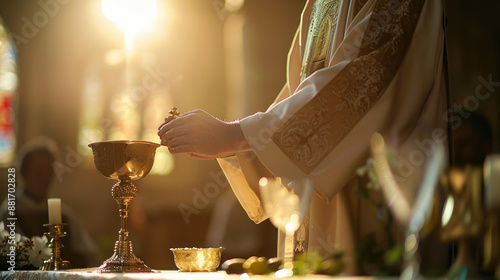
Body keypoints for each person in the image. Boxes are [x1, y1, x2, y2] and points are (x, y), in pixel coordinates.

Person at [158, 0, 449, 274]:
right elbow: (299, 94)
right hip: (314, 217)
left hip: (383, 196)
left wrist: (238, 134)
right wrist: (237, 142)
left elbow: (362, 82)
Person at [0, 137, 98, 268]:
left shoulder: (66, 215)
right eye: (38, 170)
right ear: (24, 172)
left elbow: (86, 255)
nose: (44, 177)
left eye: (49, 171)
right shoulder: (9, 213)